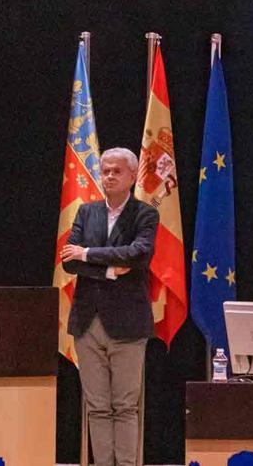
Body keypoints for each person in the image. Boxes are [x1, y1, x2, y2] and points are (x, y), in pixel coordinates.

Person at [60, 147, 158, 466]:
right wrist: (109, 270)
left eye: (117, 171)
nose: (110, 176)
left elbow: (138, 254)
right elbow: (68, 262)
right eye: (105, 171)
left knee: (125, 406)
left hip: (128, 324)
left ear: (132, 176)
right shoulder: (86, 212)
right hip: (88, 322)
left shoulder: (145, 214)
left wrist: (87, 253)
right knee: (97, 406)